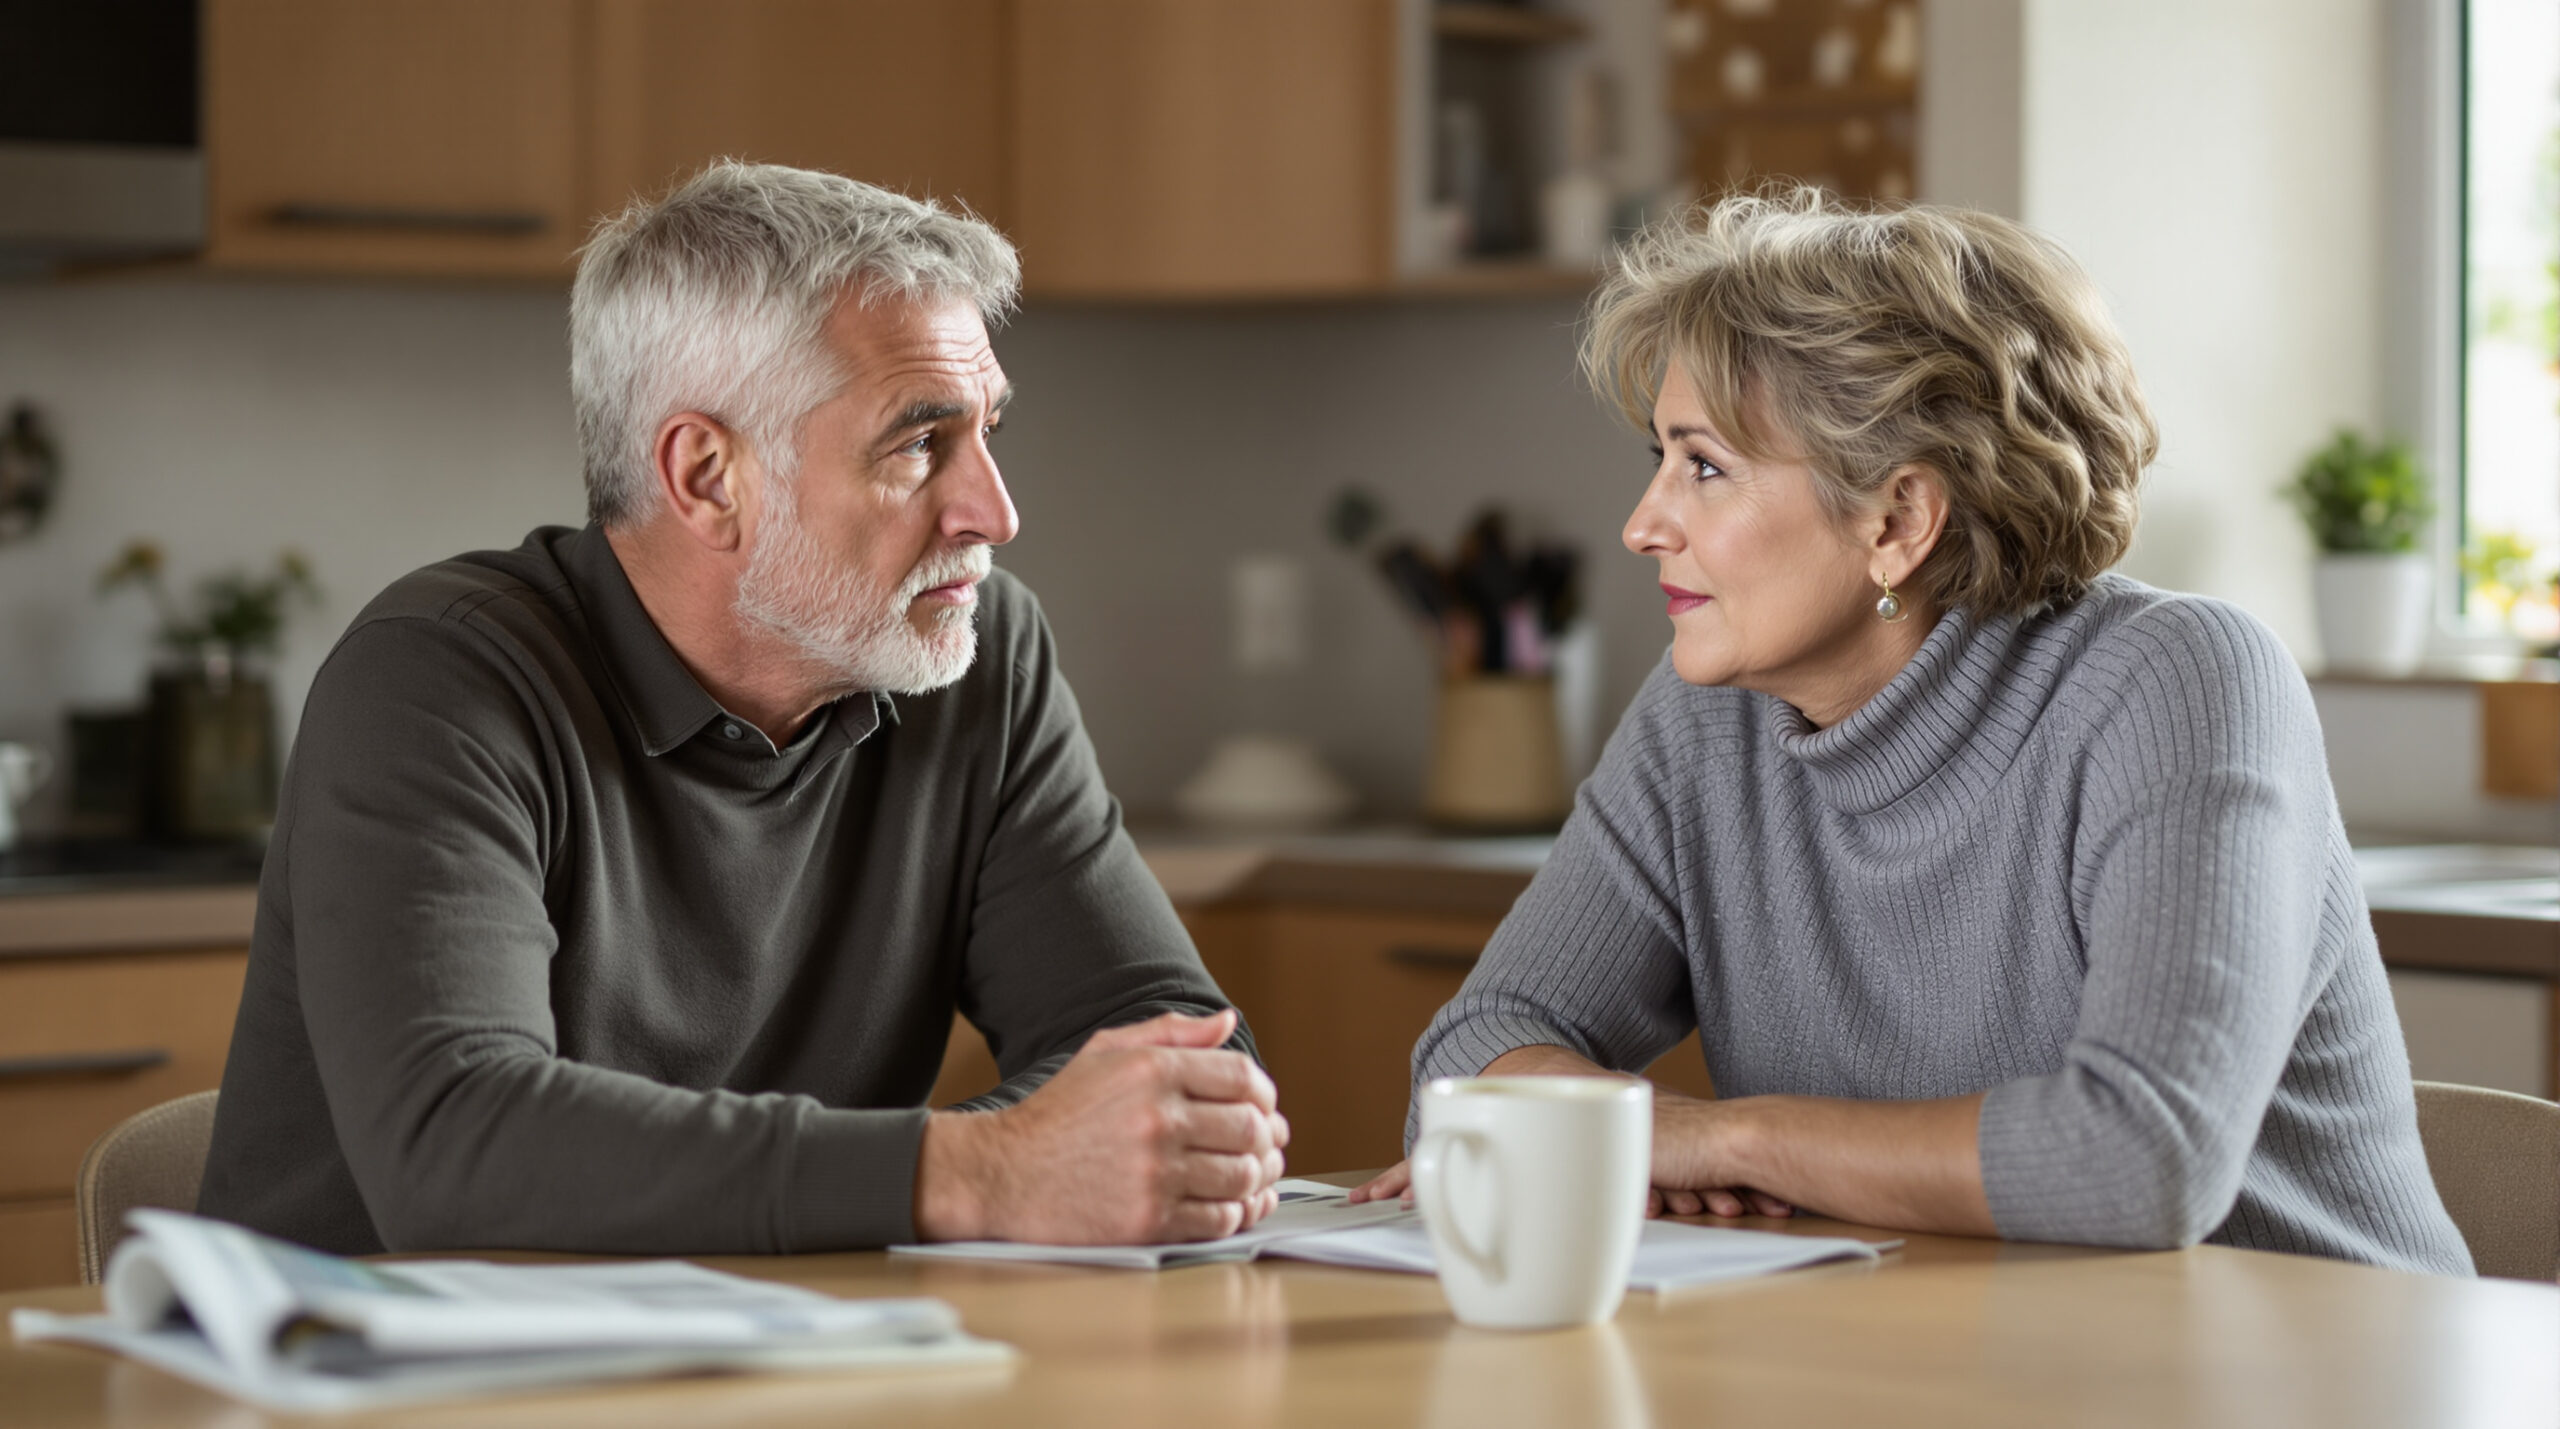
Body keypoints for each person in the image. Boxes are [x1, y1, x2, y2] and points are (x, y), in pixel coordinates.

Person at [1355, 189, 2471, 1274]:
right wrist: (1647, 1131)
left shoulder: (2176, 683)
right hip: (1970, 1360)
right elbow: (1473, 1051)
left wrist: (1724, 1138)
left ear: (1896, 520)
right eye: (1659, 459)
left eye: (1703, 466)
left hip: (2310, 1373)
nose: (1643, 523)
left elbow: (2142, 1160)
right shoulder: (1705, 718)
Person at [198, 162, 1288, 1256]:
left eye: (986, 429)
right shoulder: (436, 683)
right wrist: (988, 1172)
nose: (993, 513)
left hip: (791, 1363)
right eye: (918, 442)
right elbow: (455, 1146)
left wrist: (1045, 1161)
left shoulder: (977, 661)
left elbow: (1187, 1068)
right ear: (709, 477)